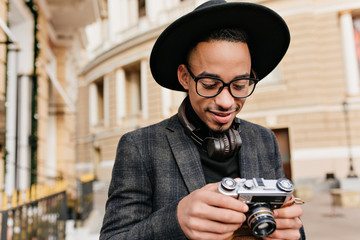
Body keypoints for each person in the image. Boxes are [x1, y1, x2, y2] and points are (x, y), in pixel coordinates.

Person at [100, 0, 305, 240]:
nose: (227, 102)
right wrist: (176, 221)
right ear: (185, 77)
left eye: (240, 85)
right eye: (210, 85)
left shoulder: (264, 140)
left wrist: (293, 233)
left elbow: (292, 226)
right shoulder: (139, 146)